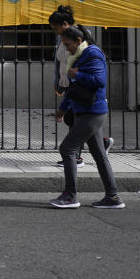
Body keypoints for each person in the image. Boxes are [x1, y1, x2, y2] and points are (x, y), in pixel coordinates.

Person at [49, 25, 125, 209]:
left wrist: (78, 74)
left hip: (92, 112)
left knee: (67, 149)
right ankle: (113, 197)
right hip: (85, 110)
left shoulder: (92, 54)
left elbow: (99, 80)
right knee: (99, 155)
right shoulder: (78, 56)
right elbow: (73, 89)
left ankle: (70, 196)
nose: (66, 49)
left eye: (68, 45)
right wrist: (63, 109)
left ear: (78, 41)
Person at [49, 5, 113, 167]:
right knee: (75, 120)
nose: (55, 31)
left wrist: (77, 78)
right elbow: (60, 61)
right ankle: (102, 144)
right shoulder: (63, 38)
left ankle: (75, 156)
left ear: (65, 23)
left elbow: (87, 63)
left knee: (74, 119)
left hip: (79, 86)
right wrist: (58, 81)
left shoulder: (80, 36)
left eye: (56, 27)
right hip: (69, 84)